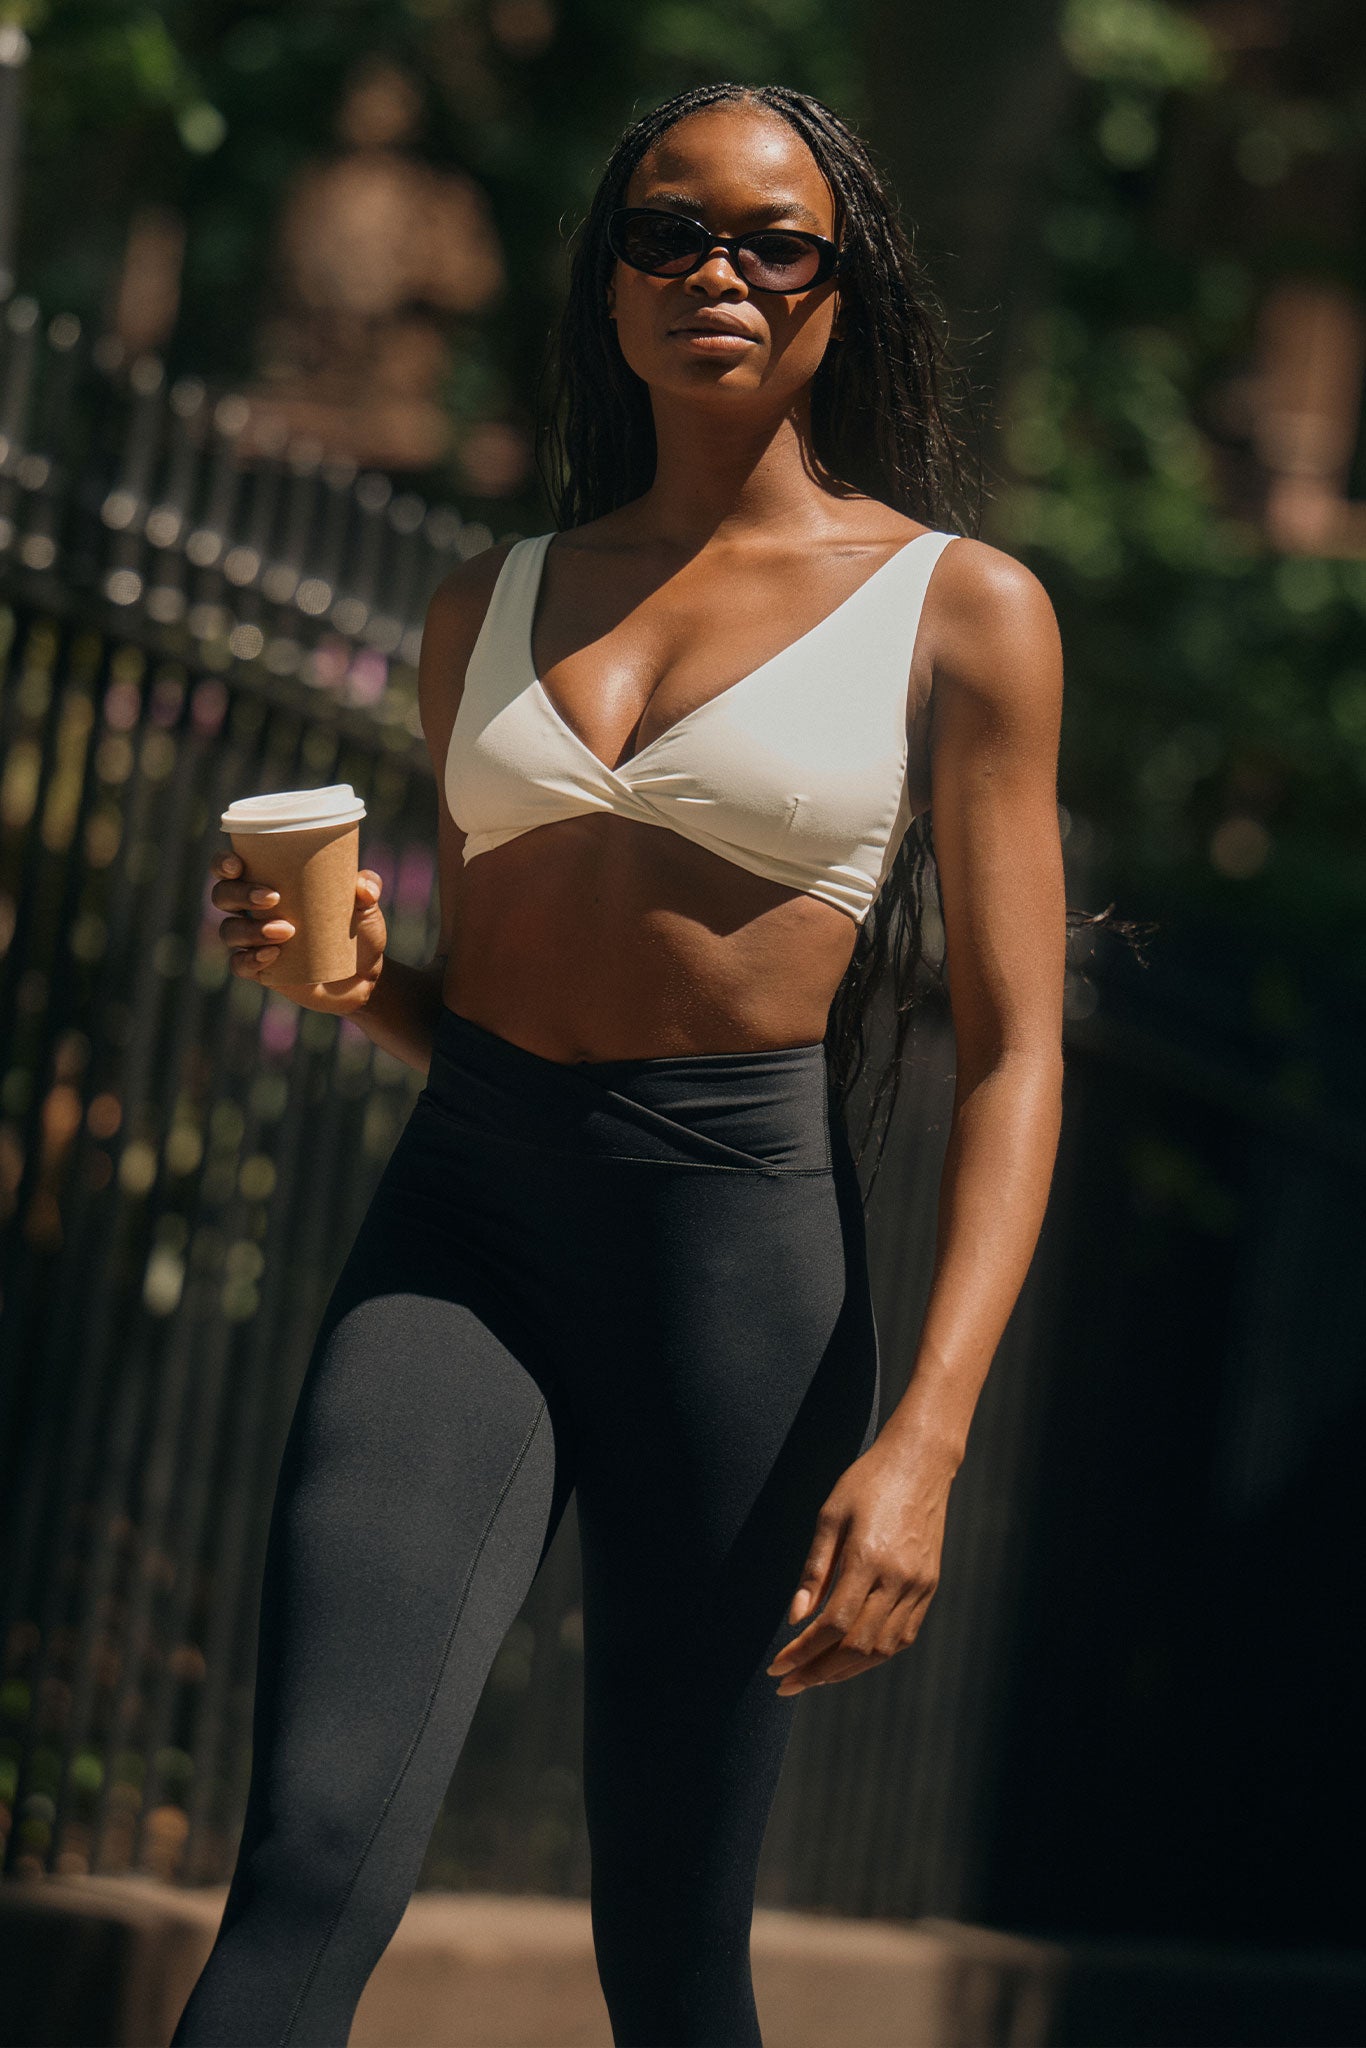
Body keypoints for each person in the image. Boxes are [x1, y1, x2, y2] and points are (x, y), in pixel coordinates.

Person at [174, 81, 1068, 2048]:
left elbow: (1010, 1054)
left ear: (844, 289)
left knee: (667, 1944)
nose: (717, 274)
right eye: (667, 232)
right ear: (606, 281)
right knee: (311, 1856)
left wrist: (920, 1438)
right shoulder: (483, 601)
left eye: (771, 241)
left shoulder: (959, 610)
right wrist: (344, 976)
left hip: (736, 1262)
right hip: (464, 1221)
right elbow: (469, 990)